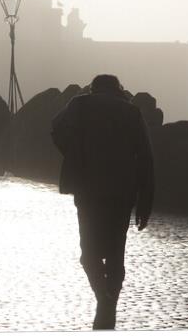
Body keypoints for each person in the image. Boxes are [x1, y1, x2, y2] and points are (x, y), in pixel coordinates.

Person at [51, 74, 155, 330]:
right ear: (118, 89)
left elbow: (56, 130)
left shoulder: (79, 104)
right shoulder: (131, 111)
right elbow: (145, 156)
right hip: (122, 190)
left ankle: (103, 300)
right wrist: (146, 200)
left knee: (89, 253)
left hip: (87, 188)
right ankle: (110, 303)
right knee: (116, 252)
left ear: (93, 88)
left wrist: (73, 154)